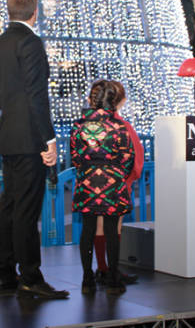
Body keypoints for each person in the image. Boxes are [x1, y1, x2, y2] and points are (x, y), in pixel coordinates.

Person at [0, 0, 68, 299]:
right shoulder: (30, 42)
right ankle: (31, 277)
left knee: (9, 207)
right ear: (35, 12)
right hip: (29, 139)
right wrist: (49, 140)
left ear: (9, 11)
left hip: (8, 136)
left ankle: (4, 274)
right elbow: (37, 97)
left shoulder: (1, 43)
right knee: (26, 210)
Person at [71, 80, 135, 295]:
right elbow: (128, 157)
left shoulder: (79, 125)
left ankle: (87, 278)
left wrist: (89, 171)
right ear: (113, 101)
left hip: (87, 183)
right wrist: (115, 174)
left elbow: (75, 156)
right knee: (111, 230)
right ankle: (113, 278)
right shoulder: (119, 126)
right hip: (113, 184)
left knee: (87, 230)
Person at [90, 80, 141, 287]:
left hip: (92, 183)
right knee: (114, 227)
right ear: (120, 101)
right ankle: (111, 270)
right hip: (117, 183)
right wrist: (129, 178)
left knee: (97, 226)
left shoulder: (87, 124)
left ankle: (100, 268)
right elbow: (135, 157)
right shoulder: (123, 126)